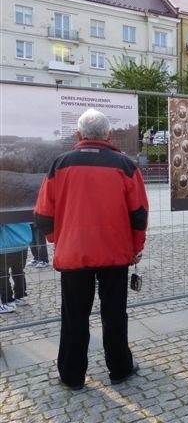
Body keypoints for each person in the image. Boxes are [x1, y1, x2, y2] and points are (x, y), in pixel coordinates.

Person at [34, 108, 149, 390]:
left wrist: (56, 240)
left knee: (74, 316)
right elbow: (139, 214)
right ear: (109, 135)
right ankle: (120, 368)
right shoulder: (125, 165)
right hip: (115, 253)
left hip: (74, 255)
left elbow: (42, 215)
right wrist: (136, 248)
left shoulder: (60, 164)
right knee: (114, 313)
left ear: (78, 135)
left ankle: (72, 375)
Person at [0, 222, 32, 313]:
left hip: (4, 245)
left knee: (2, 275)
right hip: (22, 241)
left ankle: (8, 302)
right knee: (19, 271)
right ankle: (21, 296)